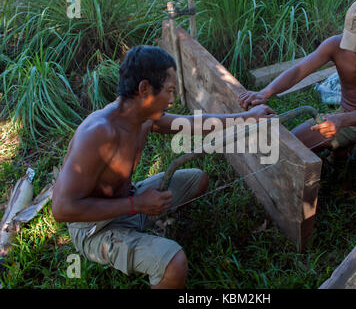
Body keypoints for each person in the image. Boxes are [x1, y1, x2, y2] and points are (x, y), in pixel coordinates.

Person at [52, 46, 275, 288]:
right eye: (169, 91)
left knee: (197, 179)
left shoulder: (144, 118)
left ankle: (138, 230)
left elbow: (189, 124)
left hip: (128, 202)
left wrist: (248, 118)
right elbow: (63, 210)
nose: (172, 99)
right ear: (144, 89)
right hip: (94, 228)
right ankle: (144, 245)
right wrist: (136, 204)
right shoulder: (98, 133)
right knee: (174, 264)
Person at [239, 0, 356, 190]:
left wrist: (342, 121)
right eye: (353, 39)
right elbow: (299, 70)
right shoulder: (334, 45)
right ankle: (343, 148)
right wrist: (265, 92)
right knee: (290, 150)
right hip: (342, 113)